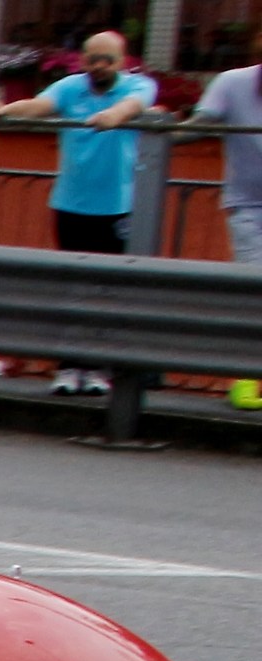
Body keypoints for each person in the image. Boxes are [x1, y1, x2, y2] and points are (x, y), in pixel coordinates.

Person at [0, 30, 156, 396]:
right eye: (91, 58)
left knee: (105, 290)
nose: (97, 66)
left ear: (122, 61)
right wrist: (2, 111)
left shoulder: (138, 86)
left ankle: (95, 368)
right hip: (70, 204)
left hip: (115, 208)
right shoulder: (70, 87)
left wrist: (112, 115)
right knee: (71, 288)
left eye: (106, 60)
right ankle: (68, 367)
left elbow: (132, 108)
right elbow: (38, 106)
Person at [187, 34, 262, 408]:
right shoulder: (233, 82)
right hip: (249, 206)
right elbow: (201, 124)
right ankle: (245, 380)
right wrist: (154, 130)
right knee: (255, 293)